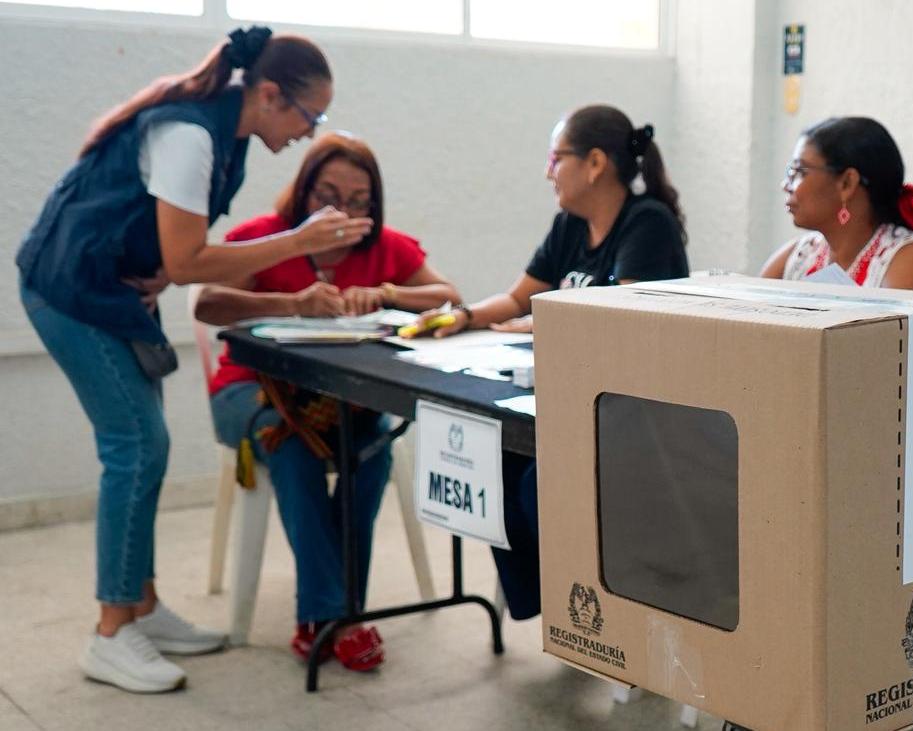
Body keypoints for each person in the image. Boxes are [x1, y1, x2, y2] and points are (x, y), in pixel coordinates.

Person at [15, 27, 369, 693]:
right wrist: (295, 241)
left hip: (112, 291)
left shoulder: (226, 135)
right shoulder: (191, 135)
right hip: (66, 292)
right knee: (136, 445)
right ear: (269, 95)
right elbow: (189, 263)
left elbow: (171, 251)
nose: (309, 131)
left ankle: (141, 604)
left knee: (145, 444)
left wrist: (155, 268)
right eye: (308, 115)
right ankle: (112, 630)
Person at [194, 131, 460, 671]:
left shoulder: (385, 246)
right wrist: (293, 303)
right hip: (251, 390)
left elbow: (449, 298)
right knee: (293, 450)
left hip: (344, 400)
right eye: (327, 194)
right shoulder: (266, 237)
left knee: (374, 449)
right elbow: (209, 303)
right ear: (303, 192)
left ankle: (339, 612)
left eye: (359, 199)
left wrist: (388, 293)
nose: (342, 209)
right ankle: (327, 614)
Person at [413, 104, 690, 619]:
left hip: (635, 409)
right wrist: (463, 316)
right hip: (567, 395)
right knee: (494, 459)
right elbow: (520, 298)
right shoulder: (570, 225)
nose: (547, 172)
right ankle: (546, 606)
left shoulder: (647, 223)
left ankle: (593, 615)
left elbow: (620, 319)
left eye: (555, 158)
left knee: (538, 479)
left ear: (594, 164)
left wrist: (545, 322)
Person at [760, 117, 913, 293]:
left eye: (800, 172)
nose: (786, 185)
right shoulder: (800, 255)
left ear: (847, 183)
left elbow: (890, 334)